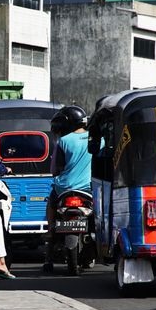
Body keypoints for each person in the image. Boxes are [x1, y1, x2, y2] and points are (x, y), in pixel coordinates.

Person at [44, 105, 93, 273]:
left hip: (64, 188)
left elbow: (54, 170)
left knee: (51, 202)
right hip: (89, 188)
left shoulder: (64, 141)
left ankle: (50, 231)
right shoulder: (96, 139)